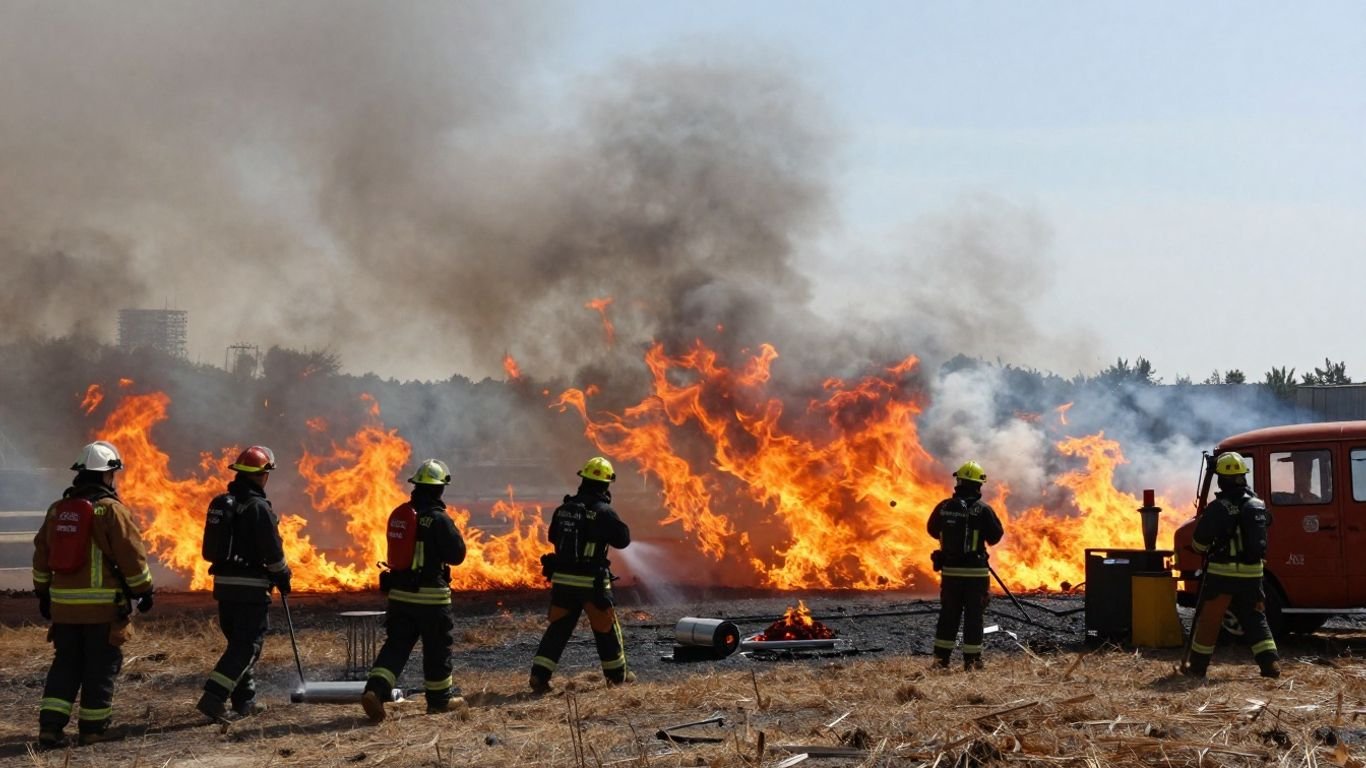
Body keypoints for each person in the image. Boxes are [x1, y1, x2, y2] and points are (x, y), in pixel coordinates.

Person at [32, 440, 154, 748]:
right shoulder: (112, 511)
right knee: (100, 667)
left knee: (66, 664)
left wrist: (44, 595)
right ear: (106, 475)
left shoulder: (57, 510)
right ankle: (93, 729)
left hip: (64, 611)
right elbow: (131, 557)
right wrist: (144, 590)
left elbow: (41, 555)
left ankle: (50, 728)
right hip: (103, 611)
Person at [361, 459, 468, 722]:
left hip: (399, 595)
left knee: (396, 644)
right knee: (437, 648)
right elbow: (457, 555)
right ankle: (440, 701)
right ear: (439, 489)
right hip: (431, 598)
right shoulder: (439, 519)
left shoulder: (402, 514)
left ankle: (375, 690)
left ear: (417, 486)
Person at [196, 445, 292, 722]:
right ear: (262, 475)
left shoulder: (225, 502)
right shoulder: (258, 507)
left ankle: (244, 701)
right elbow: (273, 552)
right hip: (250, 588)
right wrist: (283, 575)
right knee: (247, 646)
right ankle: (213, 697)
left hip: (224, 587)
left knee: (238, 644)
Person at [529, 456, 633, 693]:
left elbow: (553, 537)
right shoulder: (603, 512)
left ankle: (539, 675)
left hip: (562, 581)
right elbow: (623, 540)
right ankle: (617, 677)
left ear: (583, 480)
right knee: (606, 629)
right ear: (606, 485)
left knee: (558, 629)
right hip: (591, 582)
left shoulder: (563, 510)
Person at [1183, 451, 1279, 678]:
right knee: (1256, 618)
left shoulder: (1219, 508)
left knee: (1210, 618)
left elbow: (1199, 543)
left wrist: (1201, 548)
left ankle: (1197, 668)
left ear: (1221, 479)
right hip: (1253, 574)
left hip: (1222, 574)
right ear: (1243, 476)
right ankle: (1270, 665)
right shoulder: (1257, 504)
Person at [926, 461, 1004, 671]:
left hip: (950, 572)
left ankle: (941, 661)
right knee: (973, 617)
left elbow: (932, 530)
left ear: (958, 482)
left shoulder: (943, 507)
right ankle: (972, 662)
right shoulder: (983, 510)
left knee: (949, 615)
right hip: (976, 574)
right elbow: (995, 537)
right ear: (978, 485)